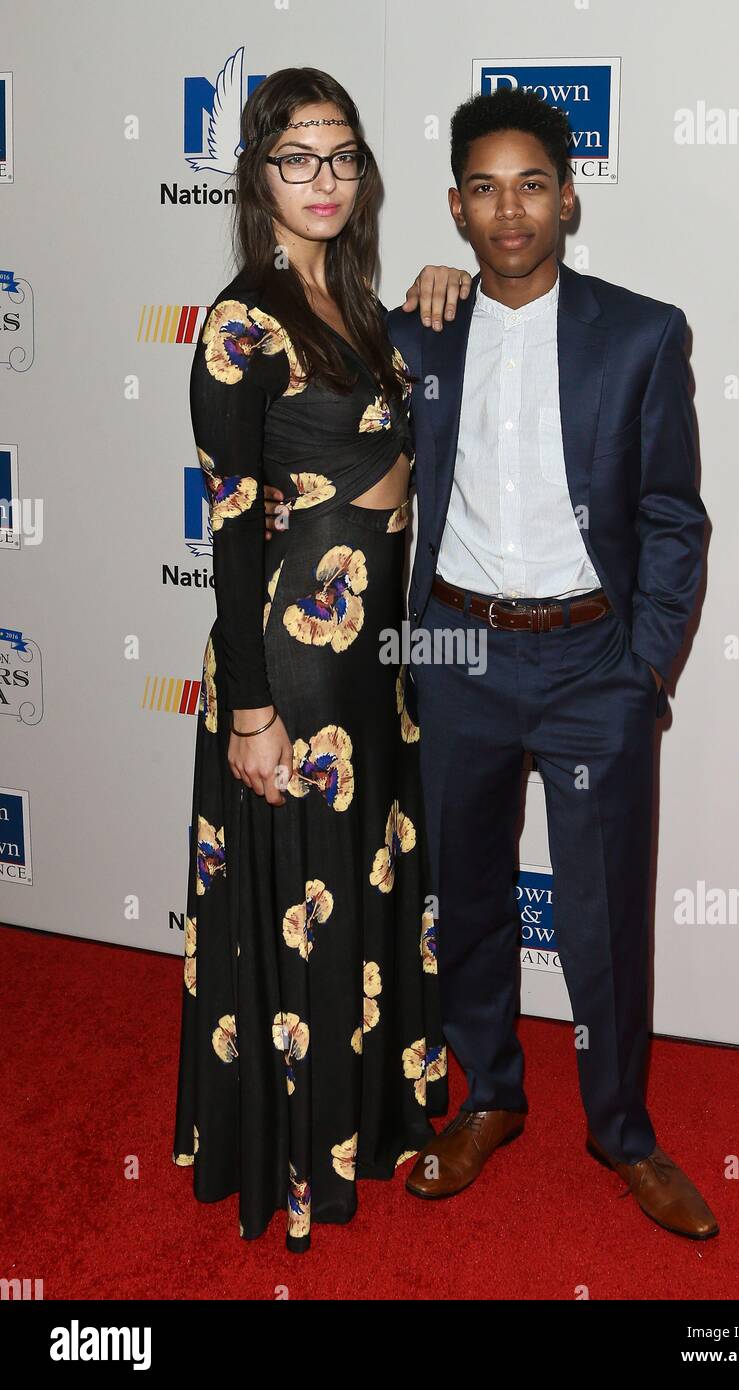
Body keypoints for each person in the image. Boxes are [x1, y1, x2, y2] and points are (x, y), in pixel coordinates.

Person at [384, 87, 719, 1239]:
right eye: (482, 188)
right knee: (463, 899)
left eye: (530, 183)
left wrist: (644, 670)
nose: (508, 208)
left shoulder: (639, 331)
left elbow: (673, 514)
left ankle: (621, 1131)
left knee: (602, 917)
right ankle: (486, 1098)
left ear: (568, 196)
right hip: (454, 649)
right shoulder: (415, 331)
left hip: (591, 664)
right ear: (455, 209)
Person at [171, 65, 468, 1253]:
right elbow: (232, 529)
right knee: (303, 902)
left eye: (342, 154)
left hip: (373, 666)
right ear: (255, 176)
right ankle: (295, 1156)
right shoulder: (239, 320)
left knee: (363, 888)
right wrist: (249, 709)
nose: (324, 179)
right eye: (296, 157)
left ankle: (371, 1119)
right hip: (291, 671)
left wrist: (439, 281)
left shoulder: (360, 309)